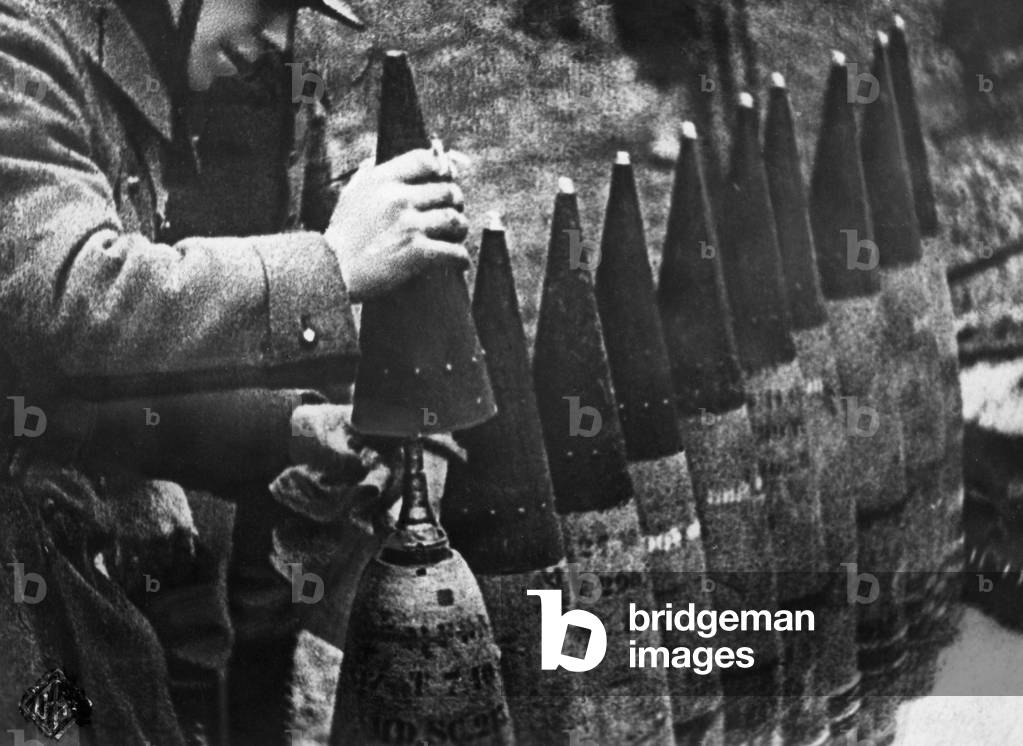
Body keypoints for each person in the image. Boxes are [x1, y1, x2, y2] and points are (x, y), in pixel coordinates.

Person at [0, 0, 468, 744]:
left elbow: (51, 400)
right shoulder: (19, 42)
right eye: (268, 4)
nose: (278, 43)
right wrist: (334, 262)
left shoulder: (129, 68)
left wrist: (290, 428)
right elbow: (68, 304)